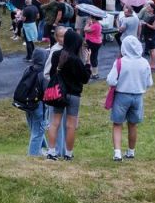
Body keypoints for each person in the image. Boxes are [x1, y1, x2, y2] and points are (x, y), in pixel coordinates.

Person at [45, 28, 92, 161]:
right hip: (74, 94)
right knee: (71, 125)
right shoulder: (76, 60)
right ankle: (68, 153)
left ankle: (51, 152)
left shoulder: (56, 55)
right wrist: (88, 63)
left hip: (59, 93)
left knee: (55, 123)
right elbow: (85, 78)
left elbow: (52, 73)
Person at [106, 35, 153, 162]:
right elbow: (149, 82)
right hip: (138, 96)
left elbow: (111, 80)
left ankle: (117, 153)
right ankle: (131, 151)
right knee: (132, 124)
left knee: (117, 124)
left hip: (122, 95)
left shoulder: (120, 62)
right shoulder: (144, 62)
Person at [21, 47, 50, 156]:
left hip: (27, 104)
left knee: (35, 129)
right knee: (37, 132)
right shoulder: (43, 73)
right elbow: (46, 92)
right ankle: (32, 156)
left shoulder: (28, 69)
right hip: (39, 105)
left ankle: (42, 149)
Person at [84, 13, 103, 79]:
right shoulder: (96, 24)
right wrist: (89, 23)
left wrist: (87, 23)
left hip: (93, 43)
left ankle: (94, 74)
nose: (90, 19)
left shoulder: (95, 25)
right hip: (95, 42)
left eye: (91, 18)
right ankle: (94, 73)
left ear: (94, 18)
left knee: (92, 57)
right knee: (93, 57)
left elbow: (85, 29)